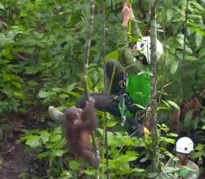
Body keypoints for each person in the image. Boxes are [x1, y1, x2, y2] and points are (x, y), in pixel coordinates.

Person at [50, 2, 163, 136]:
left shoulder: (137, 68)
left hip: (126, 107)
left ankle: (67, 119)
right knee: (111, 64)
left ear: (143, 56)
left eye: (138, 48)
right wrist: (131, 15)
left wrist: (125, 21)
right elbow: (137, 37)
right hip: (127, 91)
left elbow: (122, 49)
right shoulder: (145, 65)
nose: (135, 47)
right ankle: (107, 96)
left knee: (87, 99)